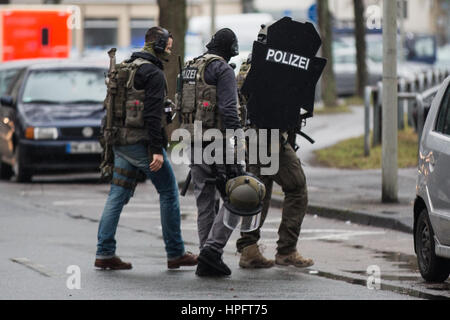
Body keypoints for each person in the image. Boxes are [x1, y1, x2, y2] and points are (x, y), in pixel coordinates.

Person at [95, 26, 197, 270]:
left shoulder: (126, 67)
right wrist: (155, 150)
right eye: (168, 47)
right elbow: (152, 116)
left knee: (117, 195)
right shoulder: (152, 73)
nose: (169, 52)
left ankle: (105, 252)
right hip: (141, 144)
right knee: (169, 191)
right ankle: (176, 253)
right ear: (159, 45)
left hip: (120, 142)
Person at [235, 24, 314, 269]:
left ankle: (249, 248)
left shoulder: (249, 64)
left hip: (256, 135)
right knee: (296, 187)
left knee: (260, 192)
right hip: (268, 136)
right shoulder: (272, 66)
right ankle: (285, 250)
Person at [178, 28, 243, 277]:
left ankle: (207, 257)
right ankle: (212, 252)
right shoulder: (223, 69)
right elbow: (228, 110)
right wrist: (238, 143)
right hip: (217, 142)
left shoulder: (192, 66)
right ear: (232, 49)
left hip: (192, 140)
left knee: (205, 201)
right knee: (239, 196)